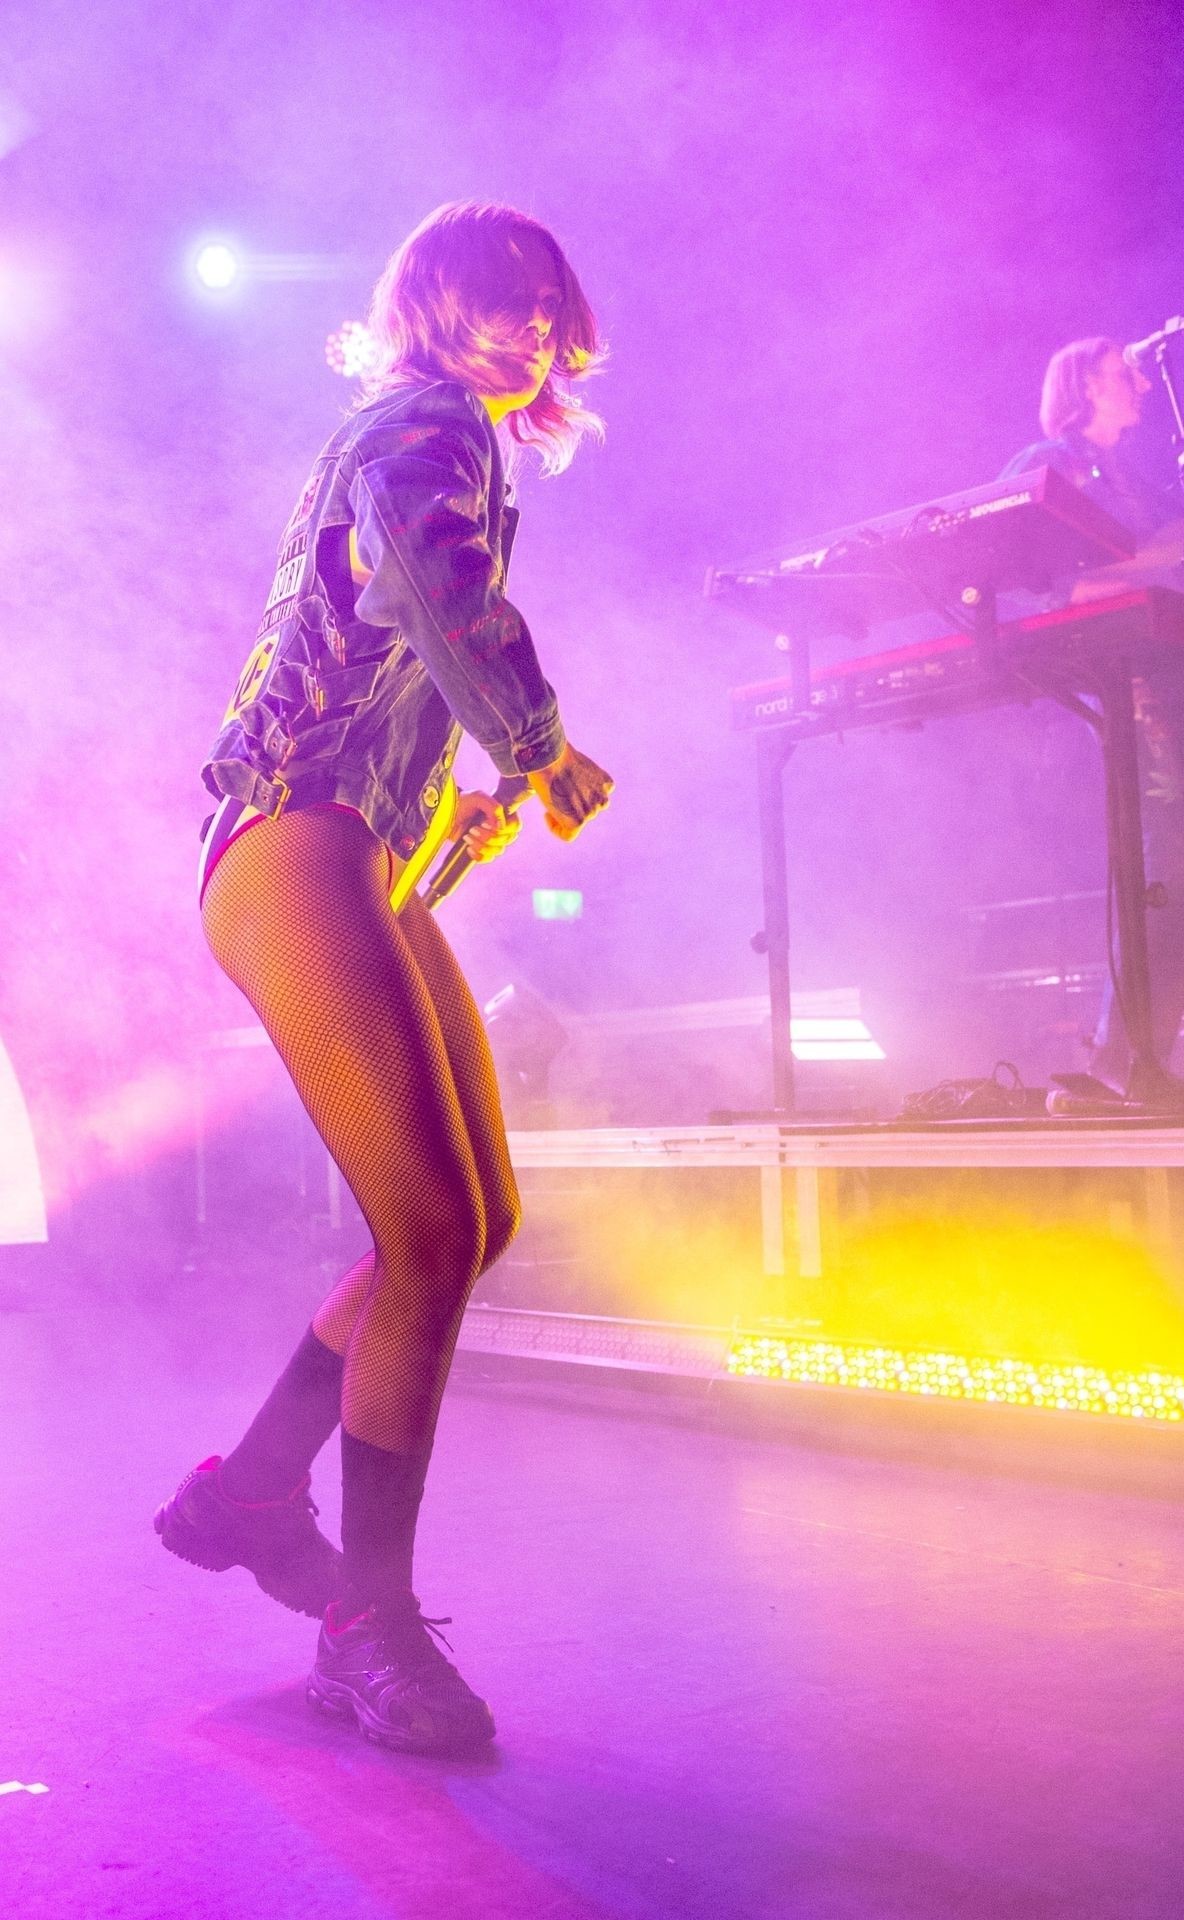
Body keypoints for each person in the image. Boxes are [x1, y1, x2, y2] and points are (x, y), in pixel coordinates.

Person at [155, 202, 613, 1755]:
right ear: (429, 308)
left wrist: (454, 815)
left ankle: (251, 1489)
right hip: (293, 839)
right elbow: (436, 588)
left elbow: (388, 651)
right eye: (502, 296)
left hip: (356, 848)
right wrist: (537, 747)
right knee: (426, 1232)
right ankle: (367, 1626)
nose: (532, 322)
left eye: (548, 301)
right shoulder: (421, 427)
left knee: (475, 1223)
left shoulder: (448, 440)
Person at [1002, 336, 1184, 1098]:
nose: (1144, 385)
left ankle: (1138, 1061)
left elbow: (1164, 558)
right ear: (1085, 384)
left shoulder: (1137, 481)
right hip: (1126, 685)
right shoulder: (1045, 463)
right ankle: (1120, 1064)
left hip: (1171, 674)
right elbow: (1040, 575)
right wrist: (1169, 557)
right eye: (1126, 373)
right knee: (1170, 864)